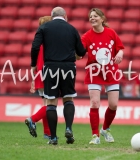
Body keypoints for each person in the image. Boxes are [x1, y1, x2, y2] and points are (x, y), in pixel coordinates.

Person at [31, 7, 86, 145]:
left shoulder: (44, 27)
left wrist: (33, 64)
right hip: (68, 67)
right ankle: (68, 128)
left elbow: (35, 46)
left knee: (51, 102)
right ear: (65, 16)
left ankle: (53, 137)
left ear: (52, 16)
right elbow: (81, 50)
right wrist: (77, 55)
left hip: (50, 67)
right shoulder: (72, 29)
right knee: (68, 99)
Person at [79, 8, 124, 144]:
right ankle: (95, 136)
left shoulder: (111, 33)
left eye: (95, 16)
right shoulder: (86, 36)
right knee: (94, 103)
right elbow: (80, 52)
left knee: (113, 105)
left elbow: (120, 47)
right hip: (94, 72)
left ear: (102, 19)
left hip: (111, 72)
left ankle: (105, 129)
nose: (92, 18)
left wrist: (120, 53)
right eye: (91, 16)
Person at [25, 16, 52, 139]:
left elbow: (34, 62)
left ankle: (47, 133)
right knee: (51, 104)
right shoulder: (50, 42)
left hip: (40, 74)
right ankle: (33, 119)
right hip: (50, 73)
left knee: (46, 103)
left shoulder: (38, 41)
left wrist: (33, 80)